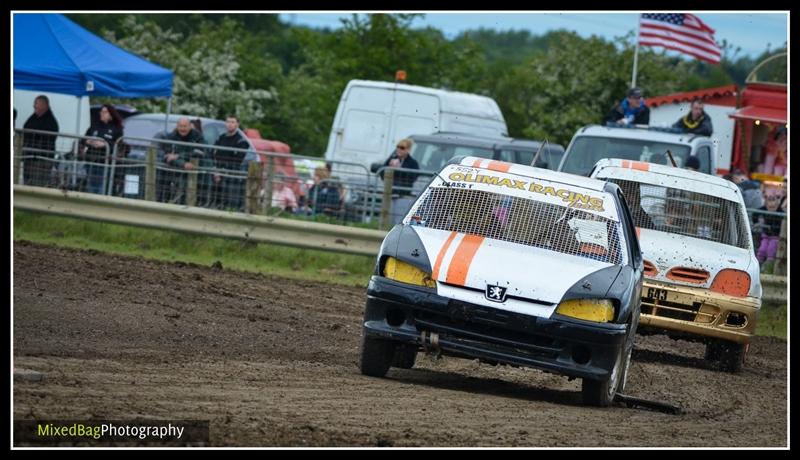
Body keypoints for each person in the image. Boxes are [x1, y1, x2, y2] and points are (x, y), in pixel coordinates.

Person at [158, 117, 206, 204]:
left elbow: (200, 152)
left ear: (190, 126)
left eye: (185, 126)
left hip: (195, 173)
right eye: (181, 126)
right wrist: (183, 163)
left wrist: (179, 156)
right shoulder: (170, 137)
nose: (183, 129)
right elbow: (167, 157)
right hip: (174, 172)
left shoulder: (198, 136)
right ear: (177, 126)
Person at [80, 104, 124, 194]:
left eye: (105, 112)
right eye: (101, 111)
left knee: (101, 187)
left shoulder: (117, 129)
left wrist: (104, 145)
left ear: (111, 114)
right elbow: (83, 139)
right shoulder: (94, 125)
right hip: (91, 160)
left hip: (104, 162)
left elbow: (118, 145)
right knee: (90, 186)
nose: (102, 114)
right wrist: (88, 141)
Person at [211, 116, 250, 210]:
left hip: (232, 174)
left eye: (232, 122)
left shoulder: (242, 141)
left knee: (230, 202)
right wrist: (215, 169)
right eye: (228, 122)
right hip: (217, 172)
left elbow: (237, 160)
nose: (229, 124)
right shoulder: (221, 138)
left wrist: (222, 171)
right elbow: (212, 153)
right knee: (215, 197)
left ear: (237, 124)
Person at [22, 95, 60, 187]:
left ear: (44, 105)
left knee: (37, 185)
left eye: (36, 103)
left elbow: (46, 138)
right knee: (27, 183)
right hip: (29, 157)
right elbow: (26, 128)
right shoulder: (33, 117)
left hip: (42, 160)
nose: (34, 106)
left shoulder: (51, 122)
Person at [754, 189, 784, 267]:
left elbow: (784, 220)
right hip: (766, 235)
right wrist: (756, 222)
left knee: (771, 250)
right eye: (769, 201)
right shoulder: (764, 208)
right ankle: (758, 265)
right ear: (766, 202)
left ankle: (768, 267)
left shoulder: (780, 211)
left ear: (777, 203)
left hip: (776, 236)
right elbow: (755, 213)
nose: (771, 204)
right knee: (762, 250)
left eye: (773, 201)